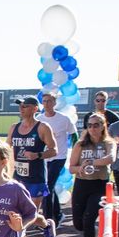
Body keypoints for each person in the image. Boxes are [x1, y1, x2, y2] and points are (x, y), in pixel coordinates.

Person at [6, 96, 58, 237]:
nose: (21, 109)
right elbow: (6, 149)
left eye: (25, 106)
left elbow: (54, 150)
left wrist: (38, 154)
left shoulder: (42, 127)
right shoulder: (14, 127)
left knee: (29, 214)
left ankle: (46, 224)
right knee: (16, 212)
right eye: (20, 106)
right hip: (18, 177)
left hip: (36, 177)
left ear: (35, 108)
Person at [68, 113, 117, 237]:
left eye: (96, 125)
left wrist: (92, 162)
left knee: (88, 219)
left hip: (100, 185)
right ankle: (92, 232)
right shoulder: (81, 144)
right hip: (82, 185)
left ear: (103, 126)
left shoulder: (109, 143)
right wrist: (81, 167)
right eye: (89, 125)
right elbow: (71, 168)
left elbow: (111, 158)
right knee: (78, 224)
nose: (92, 128)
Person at [37, 91, 77, 227]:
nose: (47, 104)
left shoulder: (64, 119)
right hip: (44, 158)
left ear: (55, 103)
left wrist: (75, 151)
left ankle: (49, 221)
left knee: (47, 187)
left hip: (58, 157)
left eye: (49, 101)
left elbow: (74, 134)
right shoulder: (39, 119)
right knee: (50, 187)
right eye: (44, 101)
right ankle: (58, 215)